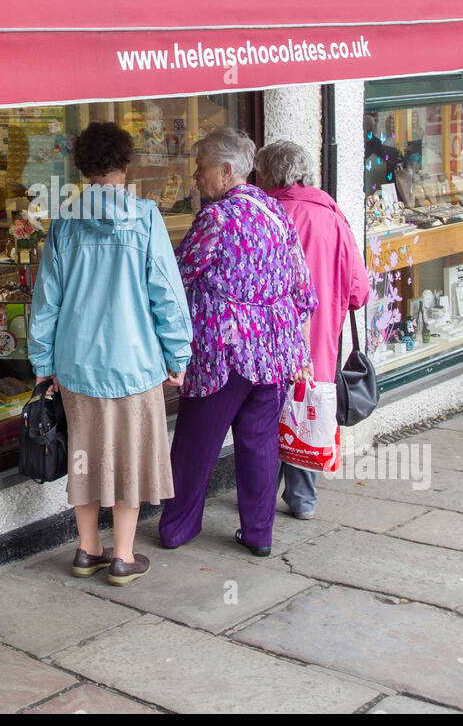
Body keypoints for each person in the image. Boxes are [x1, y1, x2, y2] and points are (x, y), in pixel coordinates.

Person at [28, 122, 192, 587]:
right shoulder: (145, 217)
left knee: (83, 454)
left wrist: (43, 364)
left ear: (81, 167)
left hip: (76, 364)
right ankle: (123, 555)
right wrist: (178, 355)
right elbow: (167, 293)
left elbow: (46, 302)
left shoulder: (63, 222)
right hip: (135, 363)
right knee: (130, 458)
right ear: (125, 165)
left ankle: (87, 549)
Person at [158, 127, 317, 557]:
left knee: (195, 444)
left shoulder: (217, 217)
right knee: (259, 444)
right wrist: (296, 348)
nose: (195, 176)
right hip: (273, 352)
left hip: (223, 355)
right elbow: (304, 290)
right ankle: (259, 534)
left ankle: (178, 528)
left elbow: (177, 275)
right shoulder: (275, 212)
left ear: (226, 171)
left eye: (201, 167)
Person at [256, 141, 370, 519]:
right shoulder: (332, 215)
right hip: (319, 341)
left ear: (268, 175)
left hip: (268, 338)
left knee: (266, 417)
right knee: (307, 412)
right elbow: (359, 292)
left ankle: (259, 503)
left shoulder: (265, 213)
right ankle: (303, 499)